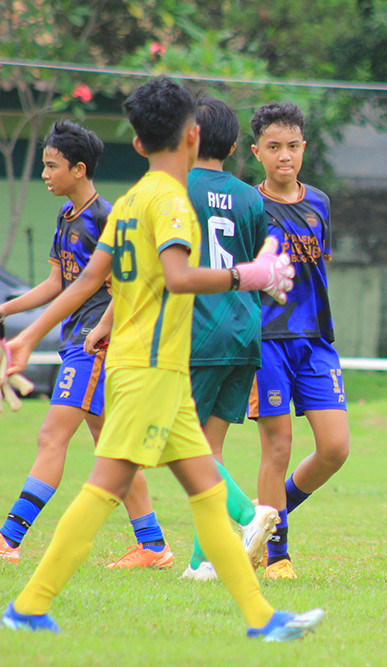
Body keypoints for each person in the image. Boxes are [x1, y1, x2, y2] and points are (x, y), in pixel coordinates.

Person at [1, 76, 321, 641]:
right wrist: (248, 274)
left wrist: (28, 337)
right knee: (105, 487)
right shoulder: (171, 201)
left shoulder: (132, 199)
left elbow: (86, 281)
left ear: (139, 143)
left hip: (155, 368)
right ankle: (29, 605)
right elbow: (178, 277)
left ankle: (262, 618)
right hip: (149, 371)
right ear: (193, 136)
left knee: (206, 491)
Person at [84, 97, 280, 581]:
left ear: (188, 136)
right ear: (233, 147)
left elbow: (150, 270)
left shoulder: (173, 189)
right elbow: (257, 265)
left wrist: (106, 323)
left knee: (184, 445)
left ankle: (248, 513)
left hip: (197, 331)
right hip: (244, 331)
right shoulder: (252, 198)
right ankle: (201, 560)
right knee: (208, 450)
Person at [0, 120, 171, 569]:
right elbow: (56, 284)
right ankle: (153, 545)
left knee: (51, 436)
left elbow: (131, 284)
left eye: (51, 166)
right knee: (110, 443)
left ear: (78, 169)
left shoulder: (106, 218)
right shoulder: (66, 216)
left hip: (96, 344)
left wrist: (103, 330)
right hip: (78, 341)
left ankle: (8, 538)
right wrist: (4, 311)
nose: (44, 174)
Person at [247, 102, 349, 580]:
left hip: (315, 341)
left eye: (292, 146)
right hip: (267, 340)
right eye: (274, 147)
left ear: (304, 148)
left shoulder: (320, 203)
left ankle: (267, 514)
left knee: (335, 448)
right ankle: (277, 555)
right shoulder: (249, 206)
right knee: (278, 446)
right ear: (257, 152)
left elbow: (319, 267)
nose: (284, 156)